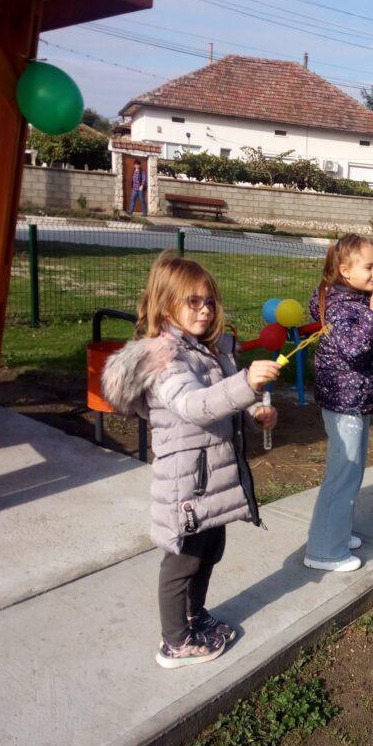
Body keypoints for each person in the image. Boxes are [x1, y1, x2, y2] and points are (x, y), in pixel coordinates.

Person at [102, 254, 279, 668]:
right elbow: (195, 406)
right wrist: (246, 383)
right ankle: (175, 642)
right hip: (188, 483)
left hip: (213, 477)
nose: (205, 310)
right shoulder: (164, 358)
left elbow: (226, 397)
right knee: (183, 561)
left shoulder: (209, 351)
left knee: (210, 550)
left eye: (210, 301)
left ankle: (194, 616)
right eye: (193, 301)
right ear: (165, 305)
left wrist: (256, 411)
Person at [304, 233, 373, 572]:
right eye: (369, 267)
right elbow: (354, 349)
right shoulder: (341, 306)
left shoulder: (353, 301)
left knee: (351, 471)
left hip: (356, 399)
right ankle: (324, 551)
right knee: (343, 475)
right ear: (344, 270)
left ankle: (334, 532)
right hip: (344, 403)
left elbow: (365, 356)